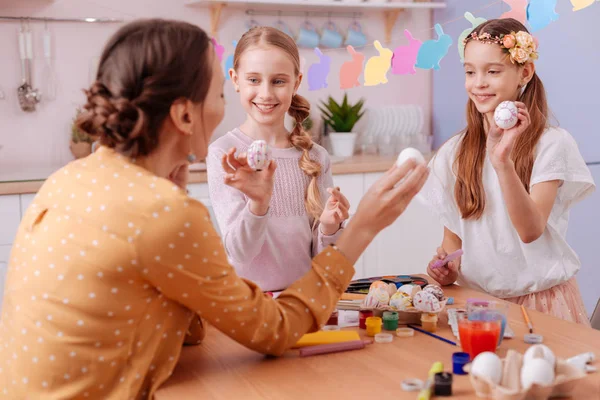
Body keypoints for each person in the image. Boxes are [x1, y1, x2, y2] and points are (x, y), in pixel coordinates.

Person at [0, 19, 429, 399]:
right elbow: (275, 331)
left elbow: (165, 311)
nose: (229, 105)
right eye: (222, 92)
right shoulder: (163, 212)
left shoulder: (69, 180)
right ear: (186, 116)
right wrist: (363, 229)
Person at [422, 18, 595, 325]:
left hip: (543, 305)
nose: (479, 83)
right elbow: (453, 248)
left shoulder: (551, 145)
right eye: (470, 71)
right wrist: (445, 271)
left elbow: (530, 231)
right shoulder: (453, 153)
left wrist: (502, 162)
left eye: (493, 71)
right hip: (479, 306)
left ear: (524, 73)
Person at [207, 26, 350, 292]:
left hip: (304, 299)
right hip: (250, 304)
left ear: (296, 83)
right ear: (235, 79)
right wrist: (258, 203)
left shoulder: (316, 157)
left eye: (278, 81)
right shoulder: (224, 153)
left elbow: (324, 260)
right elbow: (239, 253)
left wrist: (330, 228)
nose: (266, 93)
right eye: (253, 80)